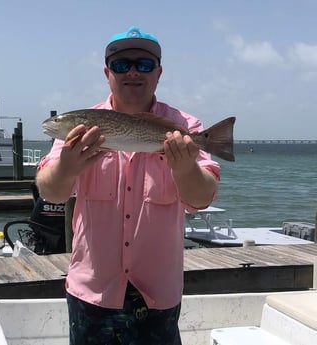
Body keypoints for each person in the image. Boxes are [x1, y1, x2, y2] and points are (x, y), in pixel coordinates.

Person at [36, 26, 220, 345]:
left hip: (157, 296)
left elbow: (201, 199)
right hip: (92, 292)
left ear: (158, 72)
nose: (133, 72)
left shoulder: (185, 127)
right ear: (108, 73)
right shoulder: (83, 126)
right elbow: (51, 192)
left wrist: (185, 168)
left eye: (144, 64)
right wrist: (67, 166)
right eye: (122, 65)